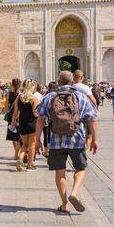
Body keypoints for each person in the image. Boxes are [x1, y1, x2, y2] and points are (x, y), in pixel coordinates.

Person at [35, 71, 99, 214]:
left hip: (56, 140)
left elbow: (40, 119)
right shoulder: (81, 97)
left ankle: (64, 204)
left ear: (58, 82)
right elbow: (92, 119)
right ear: (72, 83)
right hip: (78, 139)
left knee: (60, 172)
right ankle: (74, 193)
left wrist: (37, 141)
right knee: (80, 169)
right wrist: (94, 139)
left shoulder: (50, 97)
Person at [12, 79, 39, 172]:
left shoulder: (19, 98)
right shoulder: (33, 99)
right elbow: (35, 114)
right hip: (32, 124)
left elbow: (15, 112)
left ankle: (20, 158)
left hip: (22, 124)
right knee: (32, 145)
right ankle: (30, 165)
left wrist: (13, 122)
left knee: (24, 144)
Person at [5, 78, 22, 159]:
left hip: (11, 116)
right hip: (19, 116)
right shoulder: (21, 94)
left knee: (13, 135)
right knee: (18, 136)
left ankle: (16, 154)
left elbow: (6, 106)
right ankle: (17, 154)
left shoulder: (9, 94)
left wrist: (10, 112)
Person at [42, 82, 59, 158]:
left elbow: (40, 114)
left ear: (48, 88)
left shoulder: (47, 97)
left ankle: (47, 152)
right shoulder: (61, 96)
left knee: (48, 136)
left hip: (49, 121)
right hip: (60, 122)